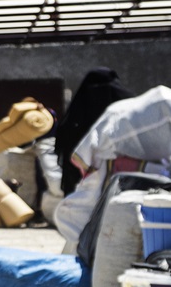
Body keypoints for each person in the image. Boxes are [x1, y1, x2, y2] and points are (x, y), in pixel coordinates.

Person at [55, 68, 132, 197]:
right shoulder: (124, 105)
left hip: (82, 177)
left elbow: (65, 146)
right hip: (118, 173)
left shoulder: (76, 113)